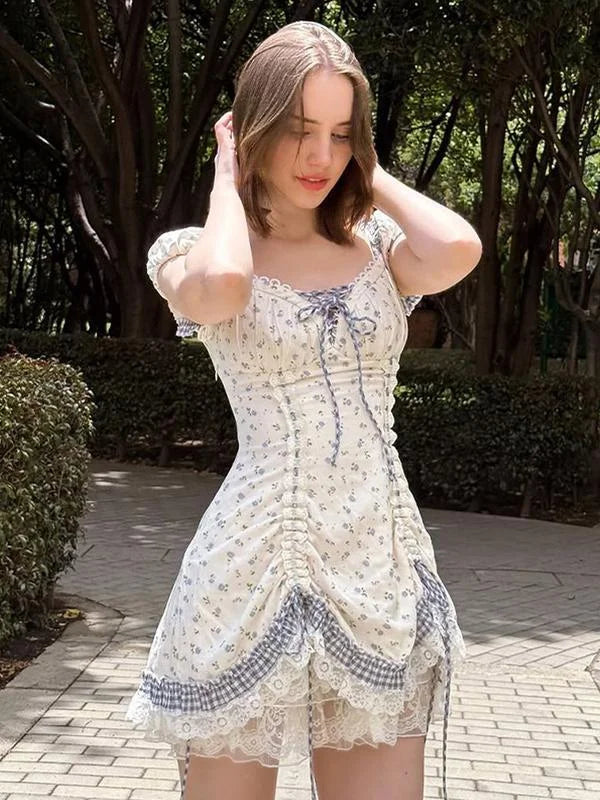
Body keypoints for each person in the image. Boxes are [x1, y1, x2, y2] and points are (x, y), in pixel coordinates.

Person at [126, 20, 481, 800]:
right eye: (297, 129)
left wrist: (371, 172)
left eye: (340, 133)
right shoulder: (192, 252)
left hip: (379, 560)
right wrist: (227, 181)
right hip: (255, 567)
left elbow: (459, 249)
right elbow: (222, 291)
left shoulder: (376, 244)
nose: (321, 156)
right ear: (252, 129)